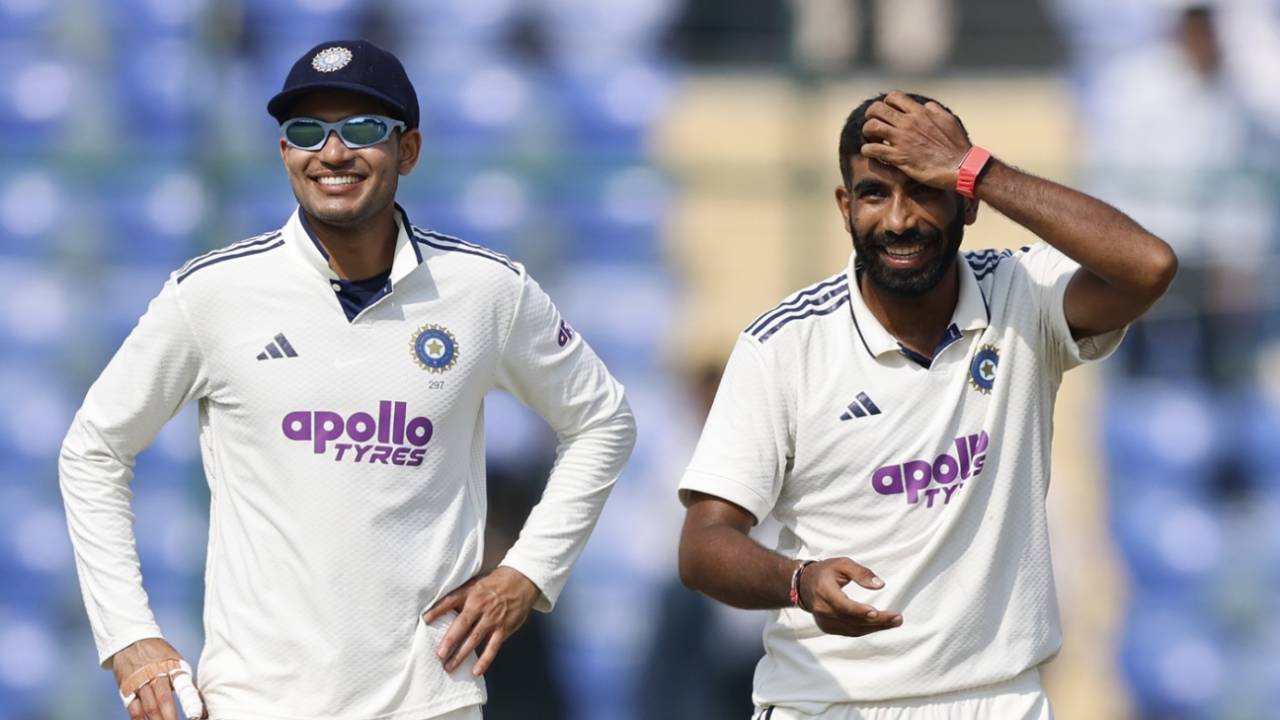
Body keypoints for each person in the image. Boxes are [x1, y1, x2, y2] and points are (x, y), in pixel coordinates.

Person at [59, 39, 636, 720]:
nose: (332, 153)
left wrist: (528, 571)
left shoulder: (487, 292)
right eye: (307, 132)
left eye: (362, 130)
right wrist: (130, 638)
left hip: (429, 705)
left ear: (410, 150)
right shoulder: (213, 293)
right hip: (257, 703)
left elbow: (604, 420)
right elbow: (93, 449)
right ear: (284, 154)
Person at [675, 90, 1176, 719]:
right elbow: (702, 545)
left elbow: (1150, 266)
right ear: (844, 207)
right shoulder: (783, 345)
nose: (899, 220)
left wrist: (979, 168)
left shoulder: (1023, 294)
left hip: (998, 701)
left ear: (965, 201)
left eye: (924, 189)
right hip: (830, 704)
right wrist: (797, 583)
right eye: (875, 194)